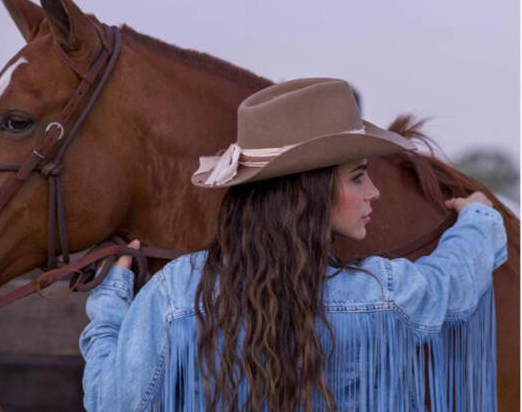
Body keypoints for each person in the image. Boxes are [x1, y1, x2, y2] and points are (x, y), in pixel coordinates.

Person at [79, 78, 507, 411]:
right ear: (309, 192)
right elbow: (453, 279)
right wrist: (478, 215)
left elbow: (110, 401)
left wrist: (111, 300)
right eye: (358, 176)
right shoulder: (378, 293)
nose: (374, 192)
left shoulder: (174, 294)